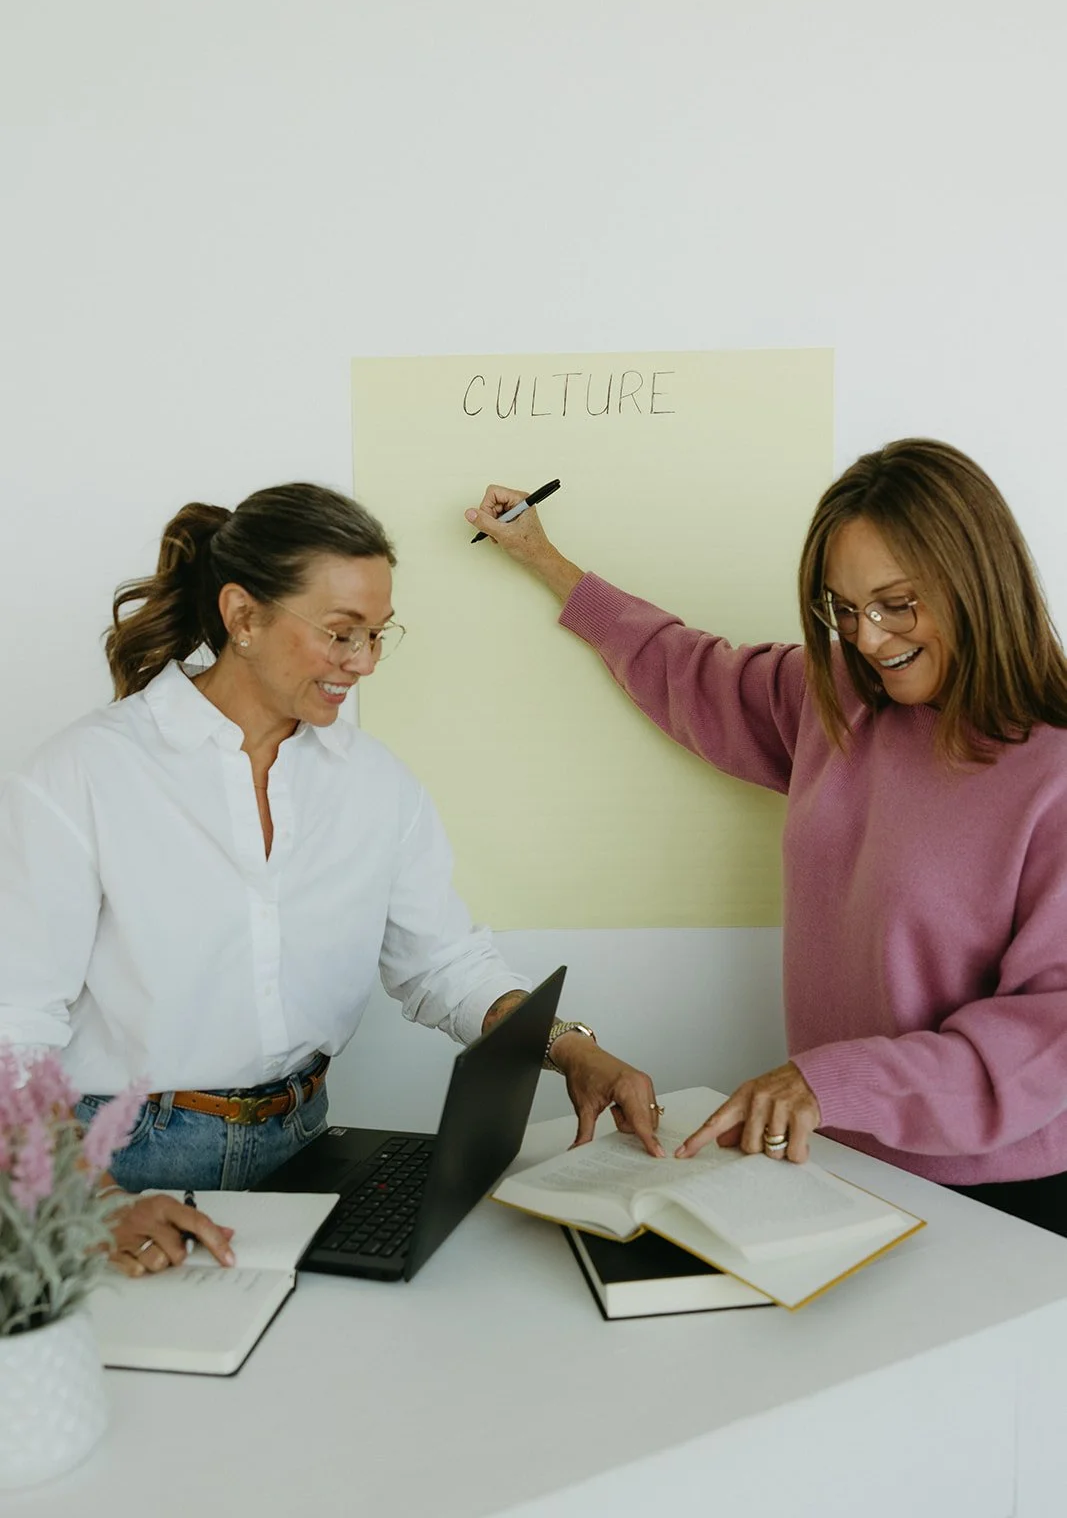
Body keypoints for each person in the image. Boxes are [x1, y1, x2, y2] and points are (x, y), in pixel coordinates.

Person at [0, 482, 662, 1278]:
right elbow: (15, 1024)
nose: (365, 663)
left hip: (304, 1146)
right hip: (120, 1163)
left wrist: (564, 1048)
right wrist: (90, 1200)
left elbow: (440, 964)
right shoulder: (85, 774)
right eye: (342, 633)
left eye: (380, 635)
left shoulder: (374, 785)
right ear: (243, 616)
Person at [465, 439, 1067, 1236]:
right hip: (837, 1162)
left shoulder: (1051, 771)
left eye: (896, 603)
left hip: (1001, 1196)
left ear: (976, 581)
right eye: (842, 609)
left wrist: (831, 1083)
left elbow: (1048, 1033)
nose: (869, 638)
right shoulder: (840, 701)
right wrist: (544, 558)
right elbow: (685, 667)